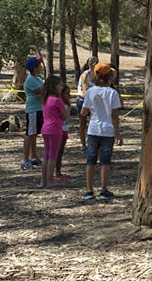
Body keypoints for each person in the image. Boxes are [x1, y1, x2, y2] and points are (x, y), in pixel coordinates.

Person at [79, 62, 123, 201]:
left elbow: (83, 112)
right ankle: (104, 190)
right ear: (109, 76)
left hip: (93, 130)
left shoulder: (90, 92)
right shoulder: (113, 93)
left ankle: (89, 190)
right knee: (105, 161)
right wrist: (118, 134)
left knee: (90, 160)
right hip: (108, 131)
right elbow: (115, 116)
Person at [40, 75, 68, 188]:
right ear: (55, 86)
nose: (61, 87)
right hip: (55, 129)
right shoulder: (57, 100)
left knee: (46, 156)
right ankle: (50, 181)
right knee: (52, 156)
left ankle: (43, 181)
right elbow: (66, 115)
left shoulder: (45, 99)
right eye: (60, 84)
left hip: (45, 128)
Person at [21, 56, 44, 170]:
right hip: (33, 110)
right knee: (30, 134)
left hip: (39, 109)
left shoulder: (38, 79)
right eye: (39, 66)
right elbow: (43, 91)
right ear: (34, 68)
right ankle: (25, 160)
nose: (41, 67)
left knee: (34, 134)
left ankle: (34, 156)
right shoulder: (30, 80)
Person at [54, 85, 72, 181]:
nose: (69, 95)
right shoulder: (59, 104)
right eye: (67, 93)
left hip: (65, 129)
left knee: (61, 152)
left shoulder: (67, 104)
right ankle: (56, 172)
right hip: (58, 130)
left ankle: (58, 171)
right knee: (57, 152)